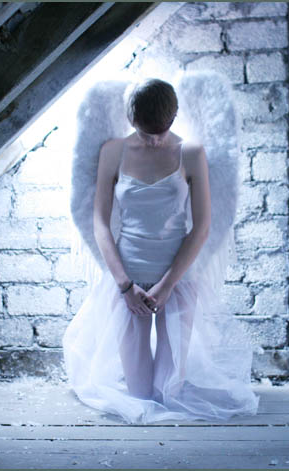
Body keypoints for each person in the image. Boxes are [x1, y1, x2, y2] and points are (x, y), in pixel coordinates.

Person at [63, 77, 259, 424]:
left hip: (177, 277)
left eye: (161, 131)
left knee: (169, 391)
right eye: (145, 132)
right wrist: (125, 286)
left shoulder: (191, 153)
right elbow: (100, 224)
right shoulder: (113, 151)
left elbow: (202, 227)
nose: (154, 140)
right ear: (131, 119)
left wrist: (168, 284)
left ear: (174, 117)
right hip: (128, 274)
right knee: (140, 394)